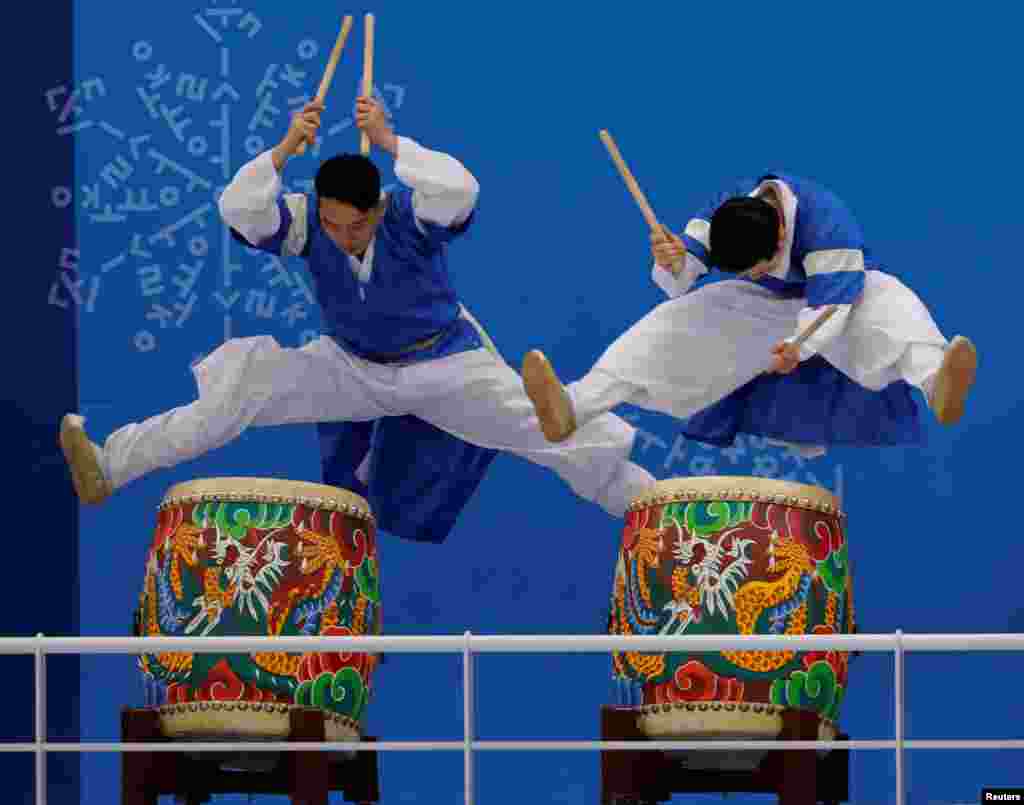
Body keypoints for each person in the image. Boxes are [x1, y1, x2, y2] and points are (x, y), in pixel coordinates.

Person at [59, 96, 654, 539]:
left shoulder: (408, 219)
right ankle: (110, 464)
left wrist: (390, 141)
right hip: (350, 366)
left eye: (356, 225)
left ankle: (656, 515)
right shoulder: (303, 222)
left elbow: (459, 189)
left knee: (552, 432)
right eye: (333, 224)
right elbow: (238, 208)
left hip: (444, 363)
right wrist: (288, 146)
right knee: (234, 398)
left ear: (379, 207)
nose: (343, 237)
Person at [522, 171, 977, 454]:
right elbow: (689, 266)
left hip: (838, 302)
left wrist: (799, 347)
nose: (756, 274)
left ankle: (937, 381)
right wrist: (673, 259)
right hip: (772, 311)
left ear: (780, 239)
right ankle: (574, 406)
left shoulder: (828, 221)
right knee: (676, 320)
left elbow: (831, 304)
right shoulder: (730, 210)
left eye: (759, 269)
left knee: (891, 301)